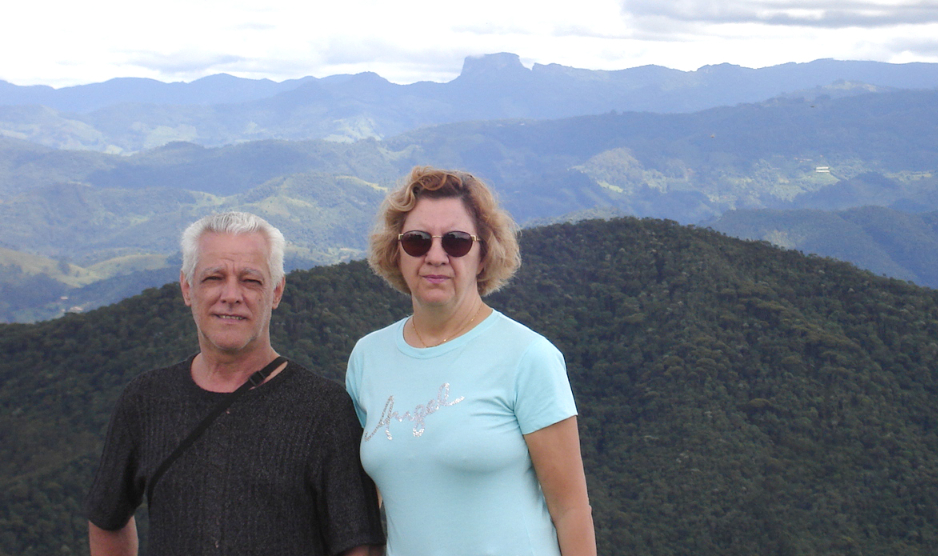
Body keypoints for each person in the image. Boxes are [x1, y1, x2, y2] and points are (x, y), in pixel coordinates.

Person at [85, 211, 384, 556]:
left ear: (276, 291)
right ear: (186, 288)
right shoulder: (147, 400)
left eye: (250, 280)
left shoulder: (324, 412)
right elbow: (107, 516)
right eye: (214, 277)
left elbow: (360, 546)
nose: (231, 294)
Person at [346, 167, 597, 556]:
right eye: (416, 240)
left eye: (457, 242)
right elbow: (365, 503)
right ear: (396, 252)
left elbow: (571, 510)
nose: (435, 256)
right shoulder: (368, 358)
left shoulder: (528, 357)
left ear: (483, 255)